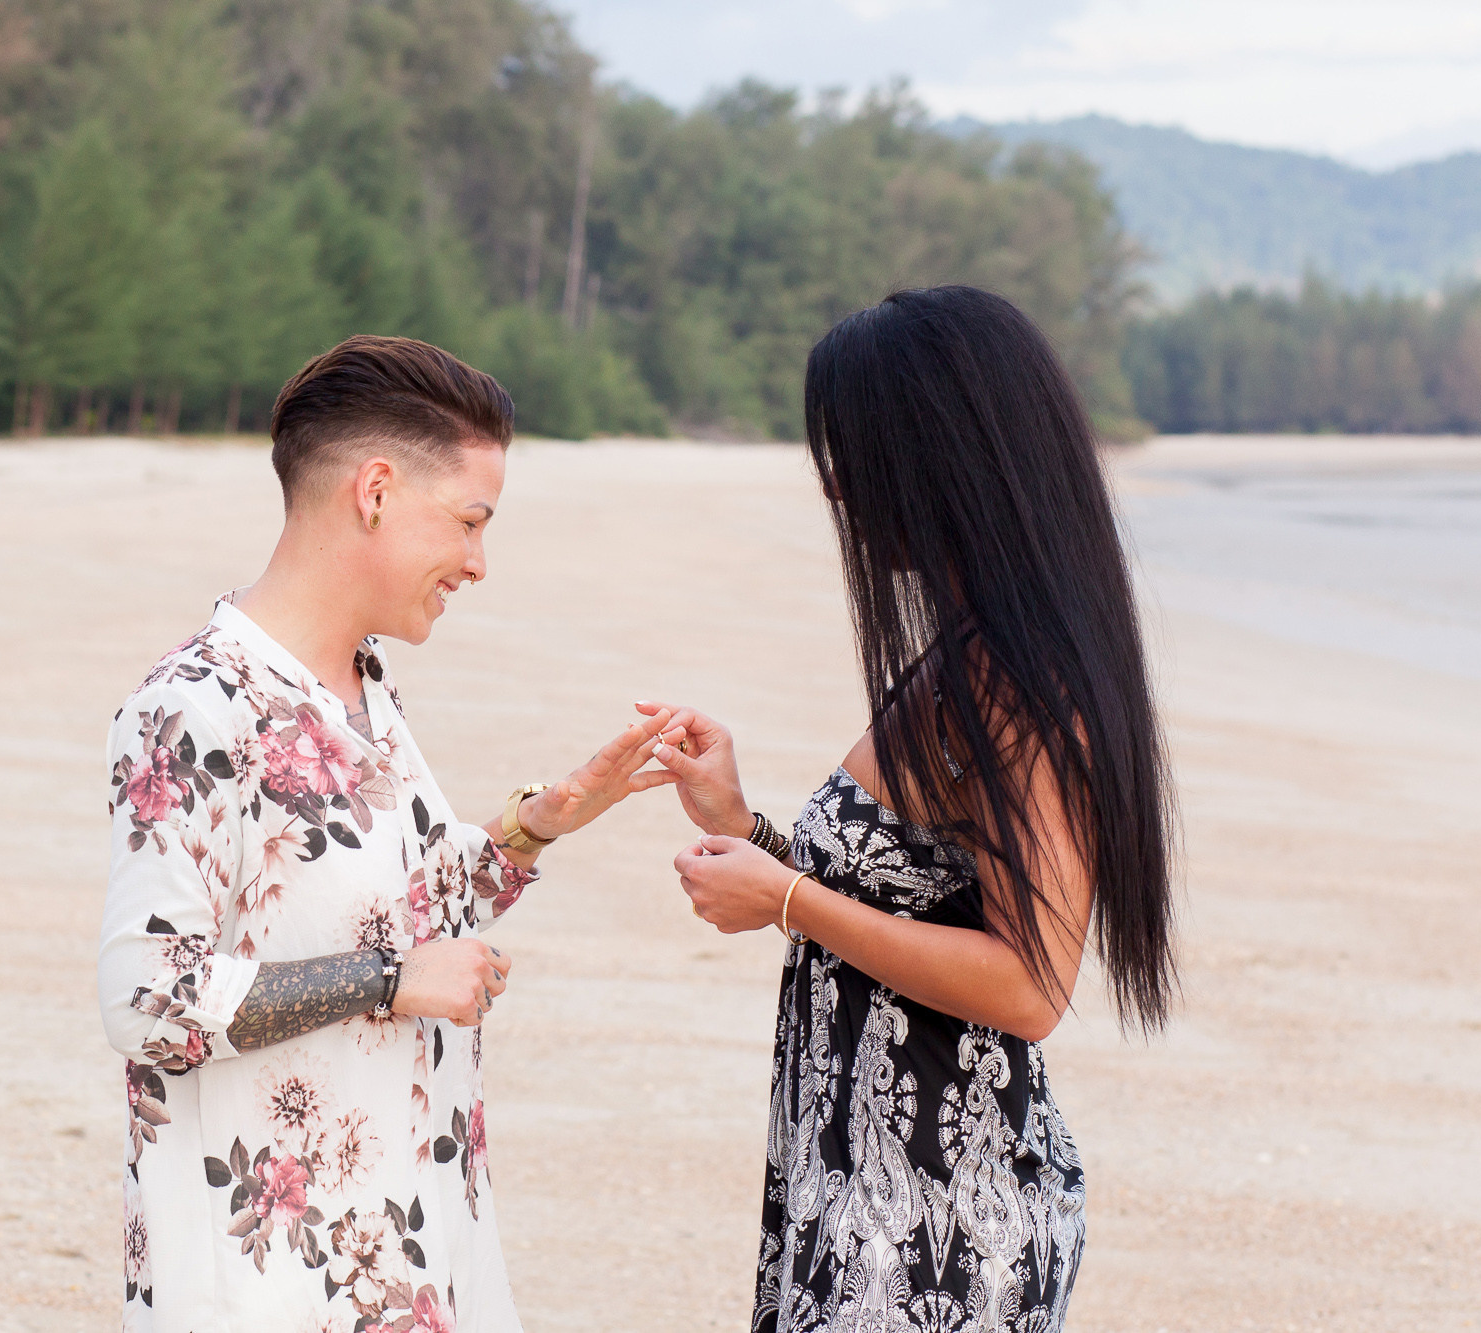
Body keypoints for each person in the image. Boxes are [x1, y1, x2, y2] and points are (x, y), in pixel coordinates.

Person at [99, 335, 689, 1332]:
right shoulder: (195, 707)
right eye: (467, 521)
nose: (477, 562)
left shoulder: (360, 687)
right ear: (373, 491)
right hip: (269, 1284)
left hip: (407, 1250)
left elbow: (404, 907)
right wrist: (385, 979)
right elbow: (146, 995)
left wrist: (537, 825)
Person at [643, 286, 1177, 1332]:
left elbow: (1028, 984)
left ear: (943, 461)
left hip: (936, 1218)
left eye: (858, 454)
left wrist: (789, 899)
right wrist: (748, 828)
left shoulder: (1019, 681)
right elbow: (913, 898)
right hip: (862, 1179)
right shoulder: (967, 652)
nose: (839, 489)